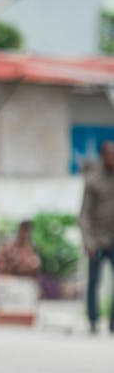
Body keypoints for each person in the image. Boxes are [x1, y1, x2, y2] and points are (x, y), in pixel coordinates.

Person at [79, 140, 114, 333]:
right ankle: (93, 320)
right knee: (94, 282)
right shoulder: (93, 180)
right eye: (109, 154)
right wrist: (88, 242)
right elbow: (84, 215)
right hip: (97, 241)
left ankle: (113, 323)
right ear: (103, 156)